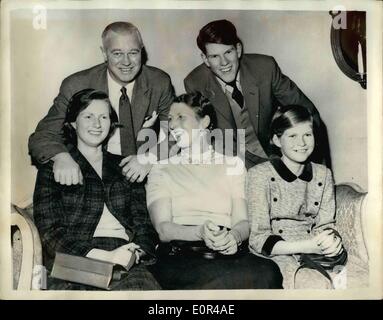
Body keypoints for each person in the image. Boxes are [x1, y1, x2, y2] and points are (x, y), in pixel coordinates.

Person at [145, 93, 283, 289]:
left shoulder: (233, 165)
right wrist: (200, 232)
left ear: (204, 122)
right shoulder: (161, 168)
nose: (173, 126)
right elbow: (163, 230)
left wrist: (234, 237)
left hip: (226, 251)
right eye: (170, 120)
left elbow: (243, 221)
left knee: (268, 272)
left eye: (181, 117)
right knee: (220, 282)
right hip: (180, 255)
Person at [33, 89, 160, 290]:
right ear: (73, 123)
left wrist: (135, 254)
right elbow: (49, 233)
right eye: (88, 116)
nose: (97, 124)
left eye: (103, 117)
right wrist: (103, 257)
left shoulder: (125, 166)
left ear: (111, 124)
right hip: (74, 260)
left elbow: (143, 224)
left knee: (141, 290)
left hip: (124, 254)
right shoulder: (54, 167)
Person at [29, 21, 174, 185]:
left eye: (133, 52)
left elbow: (179, 133)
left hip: (141, 167)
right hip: (92, 169)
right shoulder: (77, 84)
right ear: (104, 54)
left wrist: (149, 157)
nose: (126, 62)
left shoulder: (159, 82)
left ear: (142, 51)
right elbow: (42, 136)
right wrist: (62, 158)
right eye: (117, 53)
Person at [184, 19, 330, 169]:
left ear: (238, 49)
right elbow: (204, 137)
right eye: (214, 56)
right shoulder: (195, 83)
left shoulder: (265, 68)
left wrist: (318, 172)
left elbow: (308, 113)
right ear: (205, 59)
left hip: (277, 153)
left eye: (228, 52)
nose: (224, 62)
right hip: (234, 163)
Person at [247, 105, 345, 289]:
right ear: (276, 140)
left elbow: (325, 224)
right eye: (292, 136)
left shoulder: (323, 174)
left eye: (307, 135)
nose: (302, 142)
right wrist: (307, 246)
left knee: (335, 282)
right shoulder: (258, 175)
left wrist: (331, 240)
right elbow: (258, 238)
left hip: (313, 249)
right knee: (309, 284)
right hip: (275, 252)